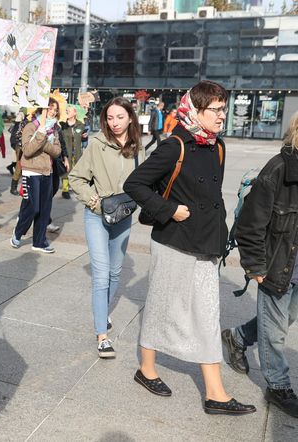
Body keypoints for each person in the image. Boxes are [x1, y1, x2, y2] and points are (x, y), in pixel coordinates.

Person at [124, 81, 256, 415]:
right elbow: (134, 183)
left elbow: (211, 196)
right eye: (215, 110)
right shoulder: (175, 146)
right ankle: (147, 368)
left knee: (208, 313)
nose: (221, 116)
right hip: (174, 241)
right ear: (195, 111)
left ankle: (216, 393)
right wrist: (169, 210)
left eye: (223, 109)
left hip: (207, 242)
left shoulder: (218, 146)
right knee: (161, 305)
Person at [221, 113, 298, 418]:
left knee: (283, 320)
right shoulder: (278, 170)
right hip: (277, 265)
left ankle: (237, 337)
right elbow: (251, 225)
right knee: (276, 331)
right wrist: (255, 266)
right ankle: (278, 386)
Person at [69, 97, 143, 357]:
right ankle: (102, 334)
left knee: (115, 273)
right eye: (110, 118)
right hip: (97, 216)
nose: (114, 123)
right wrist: (94, 201)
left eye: (120, 117)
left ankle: (103, 314)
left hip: (123, 215)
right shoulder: (97, 144)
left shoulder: (137, 147)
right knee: (101, 276)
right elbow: (76, 177)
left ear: (130, 118)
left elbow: (144, 180)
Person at [10, 99, 62, 254]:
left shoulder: (54, 129)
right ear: (42, 110)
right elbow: (27, 151)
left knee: (45, 209)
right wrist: (41, 136)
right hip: (31, 171)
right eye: (50, 108)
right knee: (33, 207)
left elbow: (57, 151)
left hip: (47, 171)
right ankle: (18, 233)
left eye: (55, 109)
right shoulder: (31, 126)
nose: (52, 112)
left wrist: (44, 141)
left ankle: (39, 242)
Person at [60, 104, 85, 199]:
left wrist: (84, 137)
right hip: (67, 152)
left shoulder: (81, 125)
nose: (67, 112)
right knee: (66, 170)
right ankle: (65, 190)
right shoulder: (62, 125)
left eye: (69, 111)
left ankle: (75, 187)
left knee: (77, 170)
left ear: (75, 113)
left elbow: (82, 139)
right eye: (66, 111)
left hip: (77, 152)